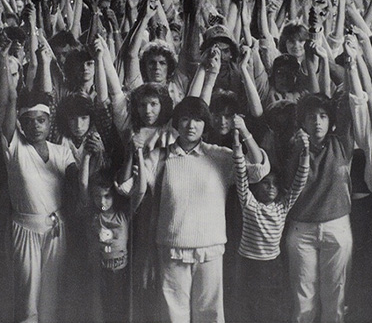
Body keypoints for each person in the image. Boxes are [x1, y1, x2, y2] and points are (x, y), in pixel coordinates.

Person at [129, 96, 270, 322]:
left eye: (197, 120)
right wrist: (134, 150)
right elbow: (130, 189)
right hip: (171, 248)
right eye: (185, 119)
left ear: (206, 124)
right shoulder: (159, 157)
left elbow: (258, 170)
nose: (191, 126)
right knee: (173, 316)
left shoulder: (220, 156)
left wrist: (245, 132)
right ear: (176, 123)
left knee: (210, 315)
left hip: (211, 248)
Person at [0, 47, 77, 323]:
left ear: (49, 122)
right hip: (25, 230)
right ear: (21, 124)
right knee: (27, 301)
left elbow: (78, 186)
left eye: (41, 121)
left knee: (51, 299)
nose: (36, 126)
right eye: (29, 122)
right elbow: (9, 100)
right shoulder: (14, 148)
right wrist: (4, 63)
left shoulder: (63, 151)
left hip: (56, 229)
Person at [286, 89, 354, 322]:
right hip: (301, 229)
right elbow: (288, 184)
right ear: (303, 121)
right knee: (303, 299)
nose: (317, 122)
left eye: (323, 116)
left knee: (335, 297)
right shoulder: (294, 146)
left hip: (337, 226)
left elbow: (349, 106)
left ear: (331, 121)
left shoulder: (341, 143)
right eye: (311, 117)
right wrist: (298, 151)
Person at [232, 127, 310, 322]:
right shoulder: (249, 203)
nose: (271, 188)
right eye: (266, 183)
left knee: (271, 309)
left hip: (272, 265)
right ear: (257, 185)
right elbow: (241, 174)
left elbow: (299, 181)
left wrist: (305, 154)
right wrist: (236, 144)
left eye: (275, 184)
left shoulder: (282, 207)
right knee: (246, 308)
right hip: (247, 263)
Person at [79, 148, 146, 323]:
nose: (102, 202)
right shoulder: (92, 214)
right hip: (97, 272)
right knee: (97, 312)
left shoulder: (123, 215)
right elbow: (83, 185)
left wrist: (139, 155)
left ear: (114, 196)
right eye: (97, 196)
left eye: (107, 196)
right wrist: (86, 156)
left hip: (119, 273)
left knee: (118, 311)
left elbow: (140, 191)